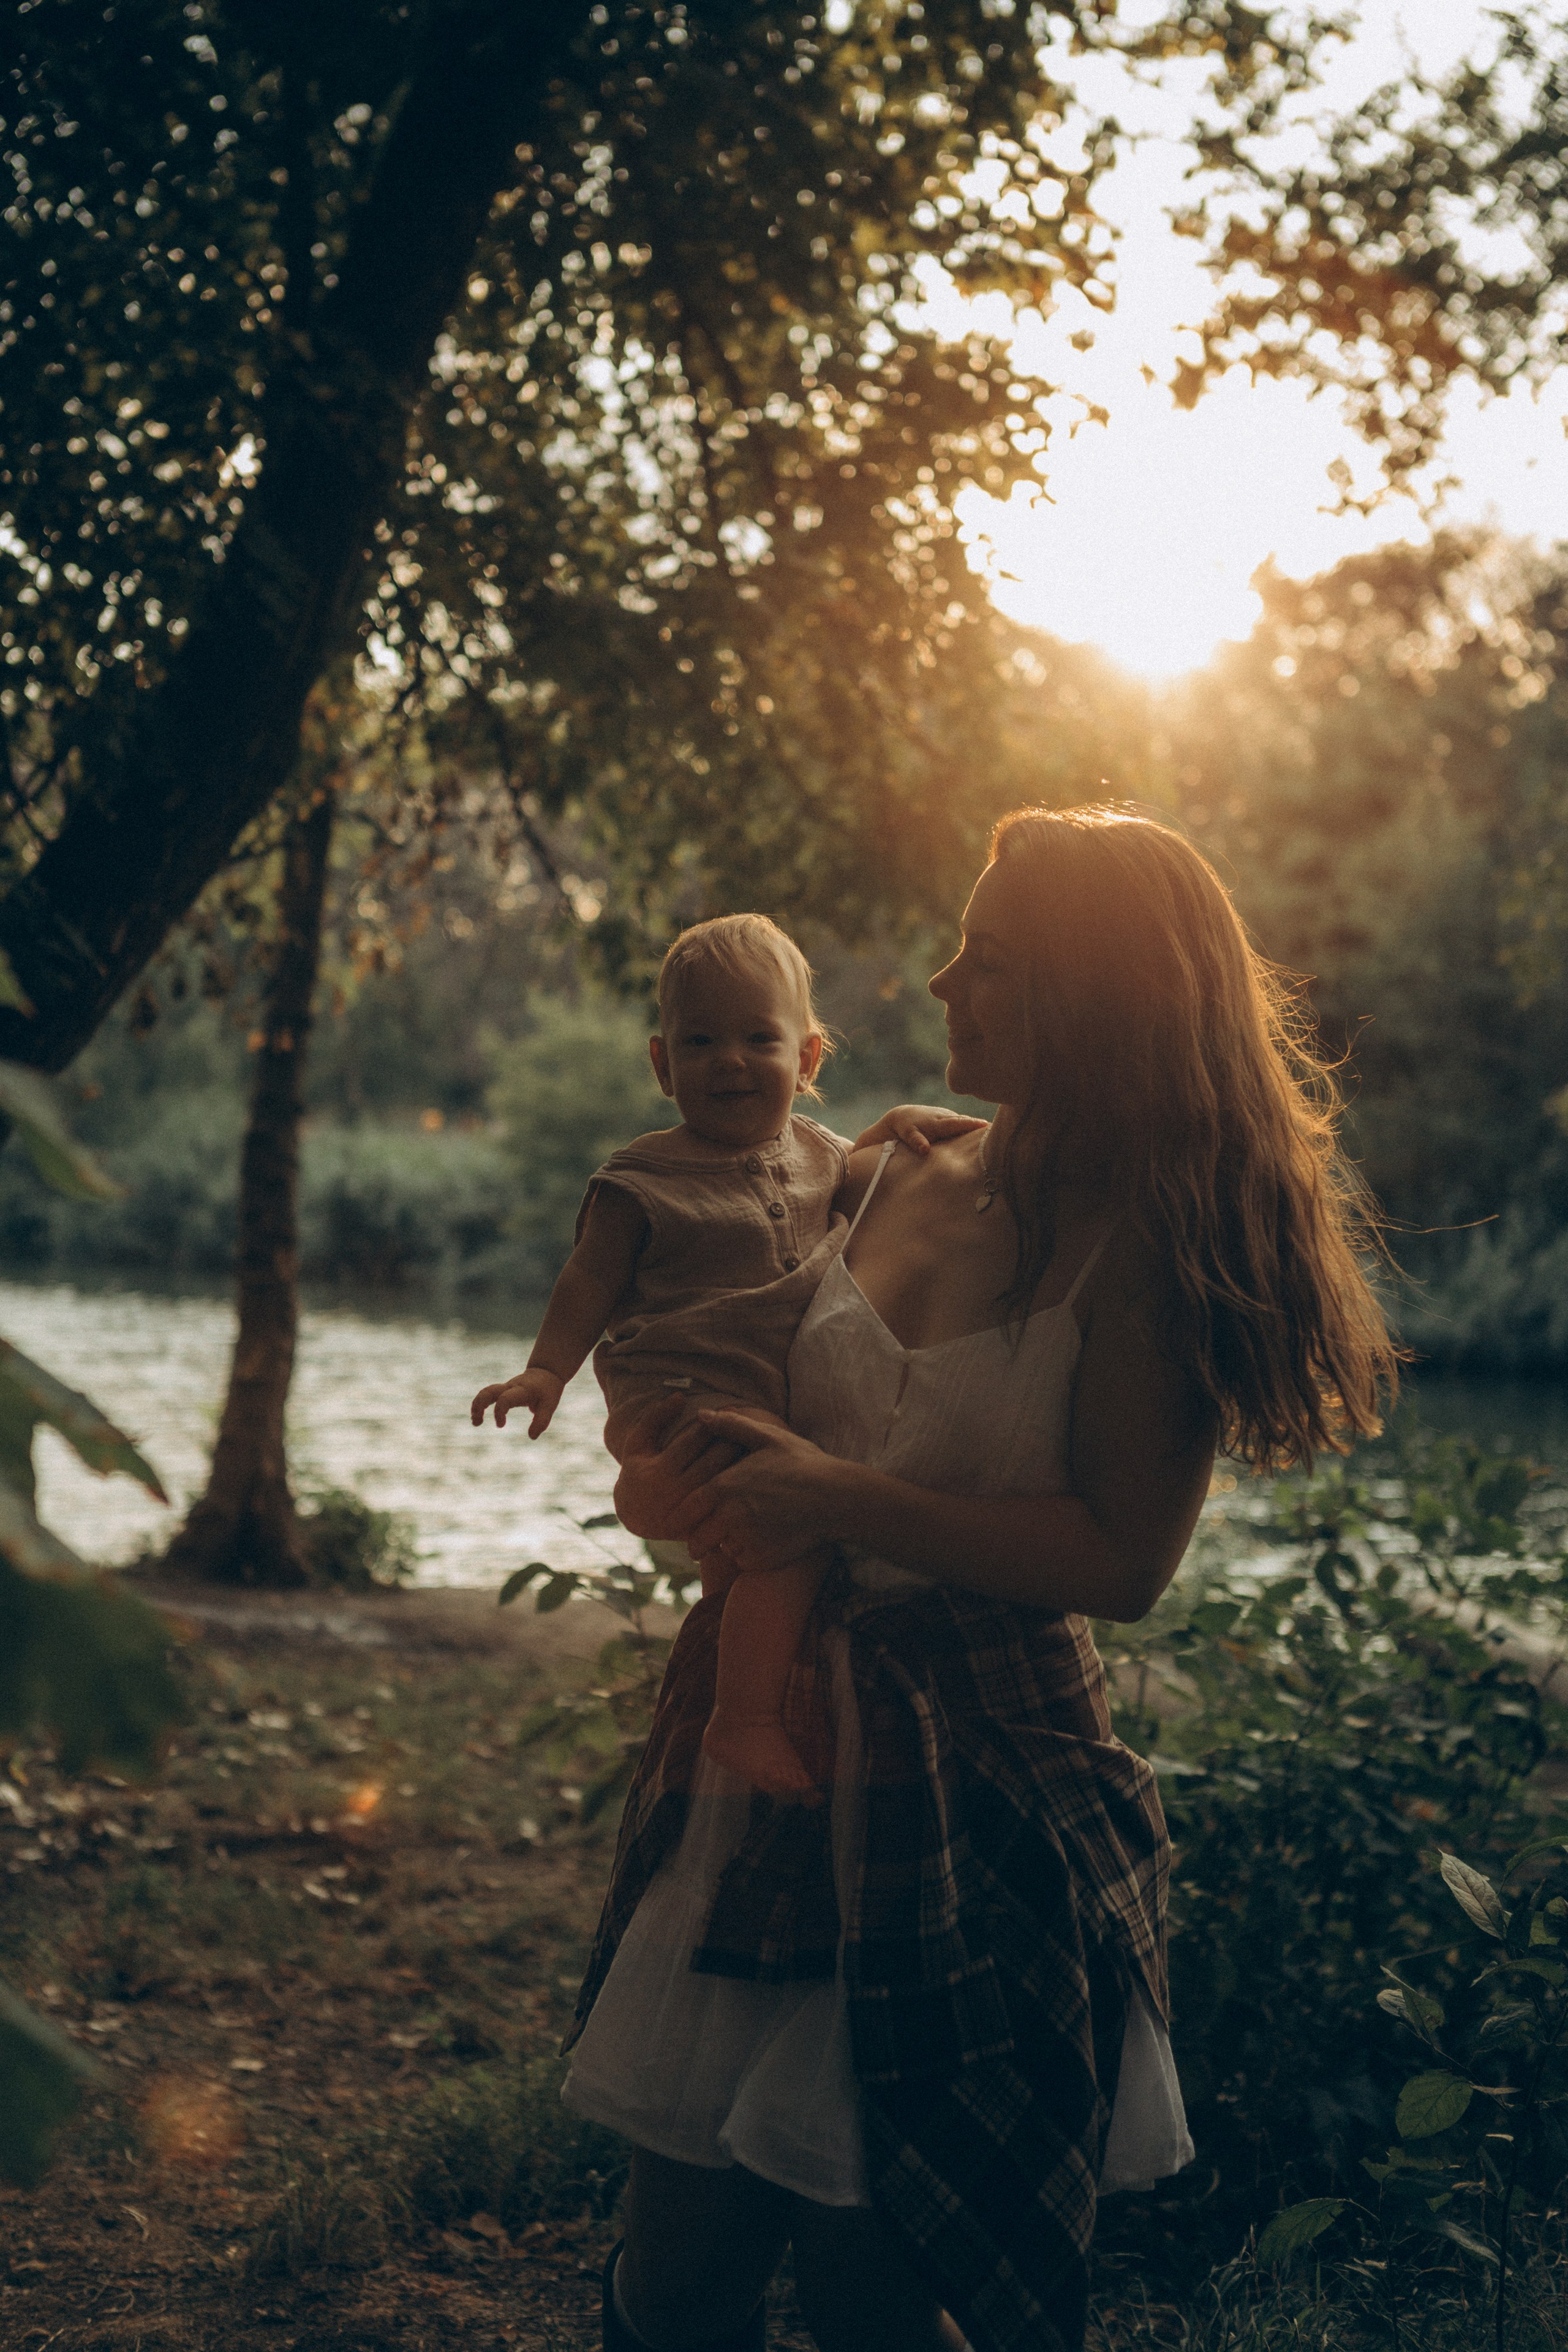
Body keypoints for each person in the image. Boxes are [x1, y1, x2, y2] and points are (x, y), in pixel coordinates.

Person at [557, 807, 1400, 2352]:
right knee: (676, 2281)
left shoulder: (1148, 1242)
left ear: (1093, 995)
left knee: (881, 2285)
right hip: (766, 1748)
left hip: (972, 1776)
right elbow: (751, 1421)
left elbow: (1120, 1562)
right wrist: (686, 1489)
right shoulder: (883, 1172)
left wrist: (832, 1494)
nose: (940, 984)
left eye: (988, 960)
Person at [470, 912, 981, 1798]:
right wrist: (547, 1371)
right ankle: (742, 1721)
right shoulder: (641, 1180)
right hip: (689, 1398)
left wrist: (903, 1120)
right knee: (794, 1540)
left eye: (758, 1039)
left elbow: (876, 1171)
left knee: (743, 1557)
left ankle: (734, 1679)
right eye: (700, 1041)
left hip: (760, 1401)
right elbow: (587, 1281)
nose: (730, 1062)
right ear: (663, 1065)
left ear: (809, 1060)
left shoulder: (824, 1155)